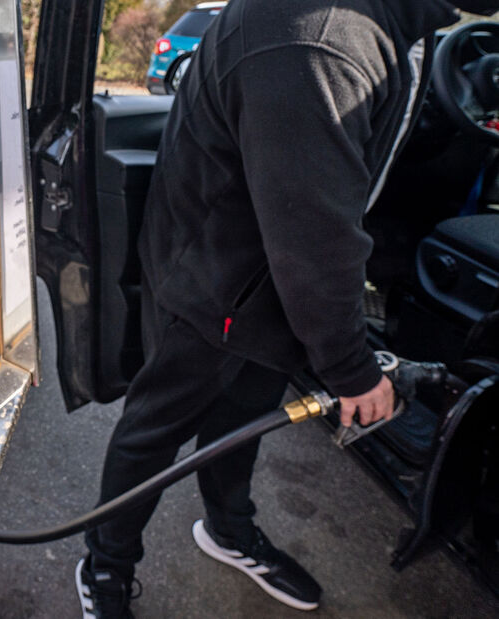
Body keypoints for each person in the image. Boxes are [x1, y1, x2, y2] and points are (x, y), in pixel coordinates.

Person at [75, 1, 498, 617]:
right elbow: (313, 236)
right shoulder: (319, 41)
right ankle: (105, 565)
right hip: (214, 285)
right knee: (152, 435)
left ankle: (227, 528)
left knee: (241, 422)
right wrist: (351, 369)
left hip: (270, 292)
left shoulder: (393, 23)